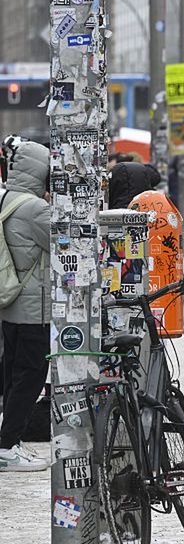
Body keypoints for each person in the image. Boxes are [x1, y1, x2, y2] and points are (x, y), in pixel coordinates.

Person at [0, 139, 51, 471]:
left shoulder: (8, 199)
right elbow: (65, 241)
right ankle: (7, 445)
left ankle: (9, 436)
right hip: (33, 308)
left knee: (13, 374)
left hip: (11, 302)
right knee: (32, 375)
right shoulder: (34, 209)